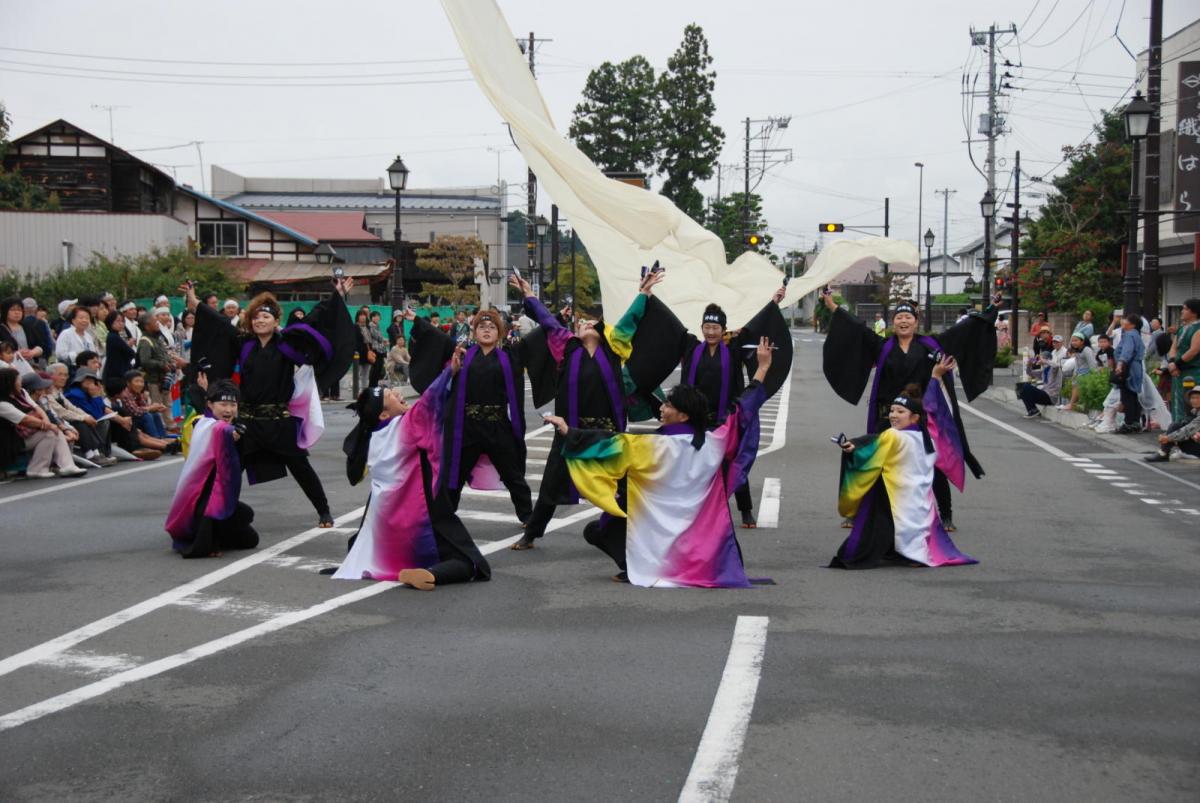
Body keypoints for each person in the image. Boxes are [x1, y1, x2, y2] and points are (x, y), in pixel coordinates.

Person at [551, 337, 775, 587]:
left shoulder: (655, 445)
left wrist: (569, 432)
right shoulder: (714, 440)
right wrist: (762, 368)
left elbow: (609, 444)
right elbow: (743, 408)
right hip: (696, 533)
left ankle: (634, 566)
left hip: (657, 528)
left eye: (668, 405)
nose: (662, 408)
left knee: (597, 529)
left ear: (683, 414)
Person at [511, 270, 665, 550]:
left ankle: (637, 533)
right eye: (581, 323)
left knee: (623, 486)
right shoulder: (565, 347)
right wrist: (529, 294)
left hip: (607, 433)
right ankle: (531, 533)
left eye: (591, 322)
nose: (585, 324)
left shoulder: (614, 348)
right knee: (550, 486)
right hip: (571, 431)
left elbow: (630, 320)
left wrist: (643, 293)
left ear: (602, 330)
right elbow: (546, 321)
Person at [821, 293, 999, 533]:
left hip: (920, 417)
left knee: (933, 464)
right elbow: (856, 329)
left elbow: (965, 330)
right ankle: (858, 512)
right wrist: (833, 306)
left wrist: (989, 310)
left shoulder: (931, 346)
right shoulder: (883, 347)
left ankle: (945, 515)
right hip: (889, 416)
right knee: (874, 461)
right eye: (899, 317)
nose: (903, 321)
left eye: (908, 317)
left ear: (916, 322)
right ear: (893, 323)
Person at [185, 278, 355, 527]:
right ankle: (211, 517)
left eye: (265, 317)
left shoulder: (288, 344)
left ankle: (324, 511)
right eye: (255, 317)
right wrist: (195, 302)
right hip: (248, 423)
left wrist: (336, 295)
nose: (259, 321)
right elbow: (219, 324)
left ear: (276, 321)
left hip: (279, 421)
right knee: (229, 469)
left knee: (301, 467)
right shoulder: (245, 345)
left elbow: (315, 317)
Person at [628, 282, 793, 527]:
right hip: (694, 417)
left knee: (732, 462)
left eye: (715, 327)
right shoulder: (692, 346)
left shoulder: (734, 348)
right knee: (689, 464)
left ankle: (746, 511)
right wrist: (649, 296)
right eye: (707, 327)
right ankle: (691, 509)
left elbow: (756, 325)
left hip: (725, 416)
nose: (711, 332)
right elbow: (668, 324)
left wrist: (774, 302)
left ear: (723, 328)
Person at [330, 367, 490, 590]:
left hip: (386, 528)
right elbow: (430, 400)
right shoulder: (406, 425)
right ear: (384, 414)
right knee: (472, 564)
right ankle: (430, 574)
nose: (396, 393)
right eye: (389, 396)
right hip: (419, 517)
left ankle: (411, 568)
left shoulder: (372, 438)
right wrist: (448, 373)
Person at [404, 278, 537, 524]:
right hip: (467, 428)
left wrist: (532, 298)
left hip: (498, 427)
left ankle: (528, 519)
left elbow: (539, 338)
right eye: (481, 327)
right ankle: (442, 519)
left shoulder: (509, 357)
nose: (486, 330)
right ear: (474, 332)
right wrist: (418, 321)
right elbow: (437, 339)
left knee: (514, 476)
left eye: (492, 327)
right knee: (453, 476)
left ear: (500, 333)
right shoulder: (463, 356)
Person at [830, 358, 976, 569]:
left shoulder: (894, 436)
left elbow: (873, 444)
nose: (893, 415)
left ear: (914, 417)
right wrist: (935, 378)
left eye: (900, 412)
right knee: (911, 531)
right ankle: (910, 553)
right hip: (921, 501)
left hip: (900, 497)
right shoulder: (927, 437)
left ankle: (904, 553)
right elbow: (935, 409)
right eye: (892, 411)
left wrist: (853, 448)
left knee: (881, 514)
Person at [165, 380, 259, 558]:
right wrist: (231, 433)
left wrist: (237, 435)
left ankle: (218, 536)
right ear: (210, 404)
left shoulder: (230, 425)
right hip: (202, 492)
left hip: (221, 490)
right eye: (223, 404)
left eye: (233, 405)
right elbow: (221, 430)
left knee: (250, 537)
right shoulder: (203, 424)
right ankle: (209, 539)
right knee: (209, 511)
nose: (228, 410)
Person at [0, 368, 86, 479]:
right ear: (9, 382)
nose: (20, 382)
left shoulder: (22, 392)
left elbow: (37, 408)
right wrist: (49, 425)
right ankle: (40, 468)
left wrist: (46, 421)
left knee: (51, 432)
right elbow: (25, 419)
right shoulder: (2, 403)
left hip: (24, 435)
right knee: (50, 432)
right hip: (9, 441)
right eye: (17, 380)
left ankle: (66, 466)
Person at [136, 312, 183, 433]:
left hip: (164, 378)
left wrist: (171, 363)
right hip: (154, 380)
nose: (158, 324)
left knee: (167, 403)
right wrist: (162, 365)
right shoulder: (145, 341)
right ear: (147, 326)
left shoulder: (157, 339)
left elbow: (163, 355)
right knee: (157, 405)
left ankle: (171, 426)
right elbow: (145, 361)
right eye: (155, 323)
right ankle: (160, 428)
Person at [1144, 387, 1200, 463]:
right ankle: (1163, 452)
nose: (1194, 400)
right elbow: (1184, 426)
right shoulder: (1194, 411)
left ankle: (1163, 453)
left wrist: (1168, 438)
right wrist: (1165, 435)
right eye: (1192, 398)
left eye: (1198, 398)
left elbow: (1187, 430)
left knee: (1177, 428)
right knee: (1176, 426)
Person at [1166, 298, 1199, 423]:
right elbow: (1174, 347)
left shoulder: (1198, 328)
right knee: (1177, 402)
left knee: (1191, 403)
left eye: (1185, 309)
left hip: (1193, 373)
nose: (1181, 311)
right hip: (1179, 372)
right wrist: (1171, 362)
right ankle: (1177, 430)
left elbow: (1194, 350)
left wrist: (1176, 365)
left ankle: (1189, 435)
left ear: (1194, 312)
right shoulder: (1182, 328)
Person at [1017, 335, 1067, 418]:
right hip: (1044, 394)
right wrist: (1029, 364)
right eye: (1053, 342)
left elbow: (1056, 366)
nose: (1040, 361)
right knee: (1021, 387)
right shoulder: (1044, 371)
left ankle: (1033, 410)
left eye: (1042, 359)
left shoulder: (1054, 370)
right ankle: (1032, 410)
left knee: (1026, 387)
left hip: (1051, 396)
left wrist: (1045, 361)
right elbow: (1030, 373)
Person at [1113, 313, 1146, 434]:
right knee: (1132, 395)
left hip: (1128, 368)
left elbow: (1127, 350)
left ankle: (1129, 423)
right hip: (1135, 367)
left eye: (1125, 320)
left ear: (1132, 324)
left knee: (1127, 396)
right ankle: (1135, 422)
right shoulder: (1136, 335)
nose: (1122, 321)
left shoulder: (1129, 334)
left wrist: (1120, 364)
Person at [0, 297, 46, 369]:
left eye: (20, 310)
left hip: (30, 366)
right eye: (13, 310)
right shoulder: (1, 329)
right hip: (9, 368)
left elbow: (41, 346)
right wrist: (16, 354)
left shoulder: (27, 327)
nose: (17, 312)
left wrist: (32, 352)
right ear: (5, 311)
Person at [1060, 333, 1097, 411]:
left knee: (1077, 384)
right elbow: (1077, 364)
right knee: (1074, 382)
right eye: (1072, 341)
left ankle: (1071, 404)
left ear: (1082, 341)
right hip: (1080, 373)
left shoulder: (1087, 349)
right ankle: (1075, 404)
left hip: (1088, 373)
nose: (1073, 342)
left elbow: (1093, 364)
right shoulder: (1076, 350)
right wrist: (1075, 374)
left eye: (1076, 340)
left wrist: (1093, 376)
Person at [102, 311, 138, 382]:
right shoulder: (113, 337)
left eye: (122, 321)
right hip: (116, 374)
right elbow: (130, 352)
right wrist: (128, 345)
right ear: (110, 322)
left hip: (119, 372)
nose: (121, 323)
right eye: (118, 321)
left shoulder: (116, 336)